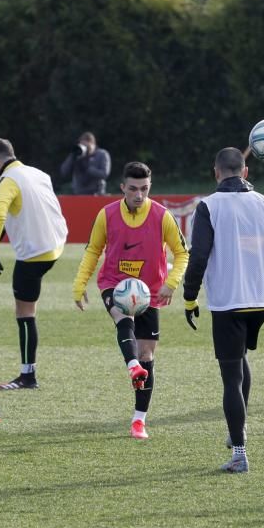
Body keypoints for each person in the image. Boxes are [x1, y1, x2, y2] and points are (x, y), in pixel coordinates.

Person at [182, 147, 264, 473]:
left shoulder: (207, 207)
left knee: (230, 376)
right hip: (260, 302)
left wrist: (189, 299)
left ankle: (239, 453)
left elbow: (199, 257)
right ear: (245, 172)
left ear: (216, 172)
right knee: (241, 360)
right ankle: (237, 432)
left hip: (227, 303)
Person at [71, 162, 190, 439]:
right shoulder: (107, 214)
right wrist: (79, 285)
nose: (139, 195)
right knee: (122, 314)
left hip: (150, 290)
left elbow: (182, 253)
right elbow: (92, 251)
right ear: (123, 187)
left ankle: (139, 420)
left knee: (147, 354)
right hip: (114, 283)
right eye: (134, 189)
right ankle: (131, 365)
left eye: (145, 189)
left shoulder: (162, 216)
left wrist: (171, 284)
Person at [0, 138, 68, 390]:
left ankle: (27, 376)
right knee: (27, 308)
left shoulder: (5, 181)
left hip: (34, 254)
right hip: (56, 244)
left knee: (24, 314)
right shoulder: (36, 173)